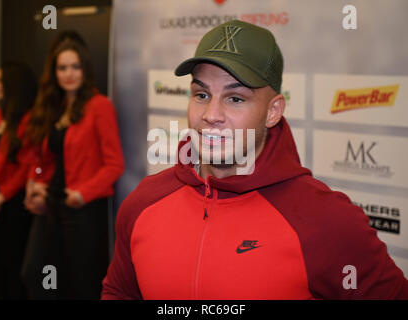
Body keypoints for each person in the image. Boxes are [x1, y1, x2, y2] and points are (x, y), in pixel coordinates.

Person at [101, 20, 408, 299]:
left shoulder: (327, 221)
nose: (211, 116)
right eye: (201, 94)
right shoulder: (143, 203)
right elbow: (118, 293)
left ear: (273, 111)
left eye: (235, 98)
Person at [23, 36, 125, 299]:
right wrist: (36, 182)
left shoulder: (99, 106)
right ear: (54, 72)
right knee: (41, 276)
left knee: (82, 283)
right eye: (62, 67)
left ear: (85, 69)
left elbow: (115, 164)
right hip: (52, 205)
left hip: (82, 210)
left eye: (75, 66)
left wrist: (83, 193)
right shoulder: (55, 108)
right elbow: (43, 159)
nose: (69, 74)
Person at [0, 62, 37, 299]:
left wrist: (1, 197)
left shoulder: (29, 120)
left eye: (0, 81)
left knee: (13, 265)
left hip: (13, 202)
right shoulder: (1, 115)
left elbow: (26, 167)